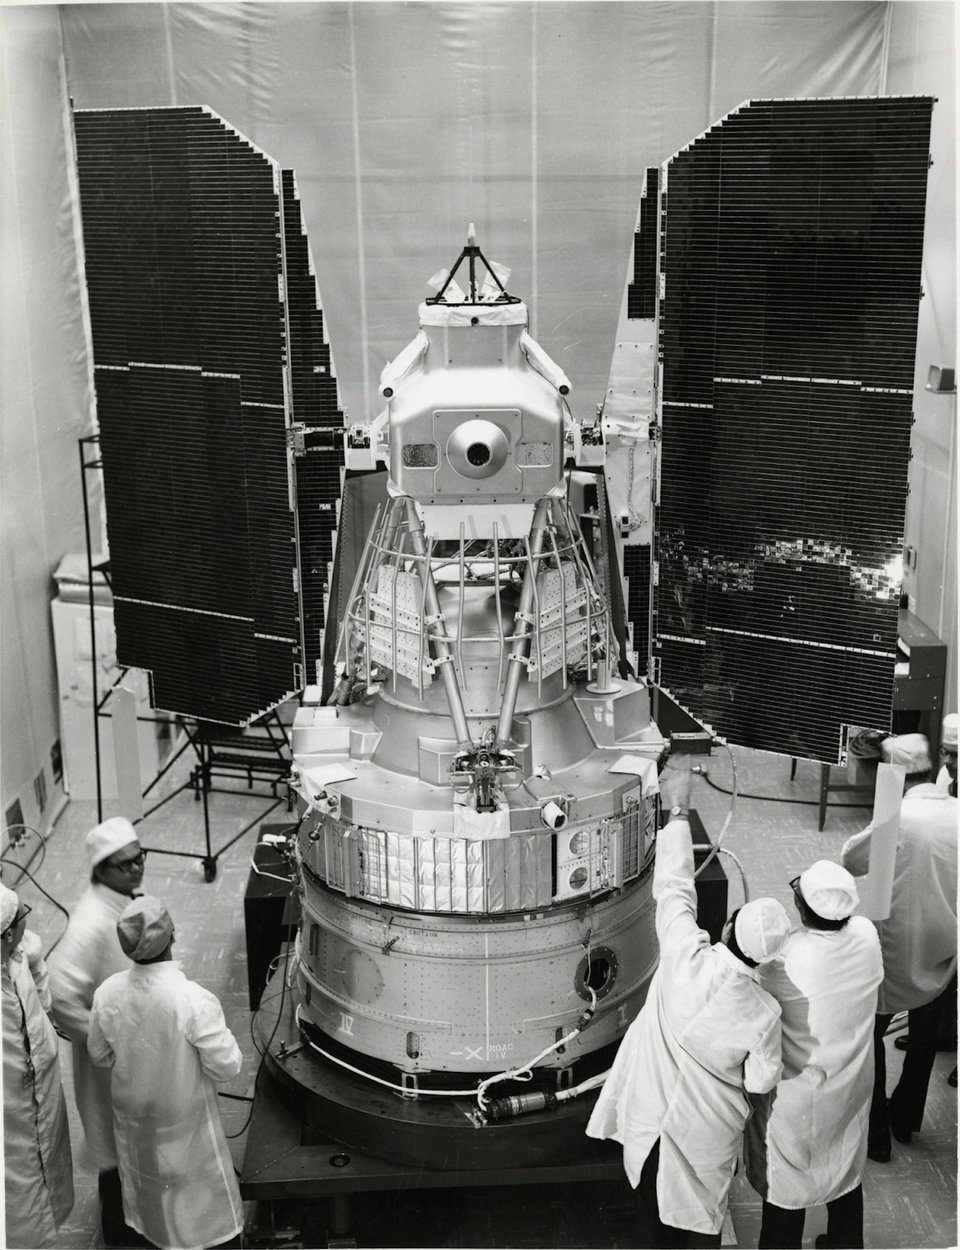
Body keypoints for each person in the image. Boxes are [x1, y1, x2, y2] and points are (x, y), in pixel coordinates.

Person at [587, 765, 791, 1248]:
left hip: (652, 1121)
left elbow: (675, 888)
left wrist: (677, 810)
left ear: (728, 930)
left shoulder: (683, 956)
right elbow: (762, 1081)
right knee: (698, 1224)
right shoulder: (764, 1014)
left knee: (649, 1217)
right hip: (706, 1138)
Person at [88, 896, 245, 1250]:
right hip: (188, 1138)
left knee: (152, 1215)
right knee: (202, 1219)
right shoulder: (192, 1000)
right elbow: (228, 1067)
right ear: (173, 934)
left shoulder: (107, 994)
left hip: (138, 1133)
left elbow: (98, 1054)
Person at [744, 860, 882, 1250]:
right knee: (844, 1165)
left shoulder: (786, 960)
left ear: (802, 909)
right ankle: (844, 1243)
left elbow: (751, 992)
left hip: (798, 1098)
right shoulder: (867, 935)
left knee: (788, 1188)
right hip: (852, 1082)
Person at [841, 731, 958, 1159]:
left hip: (893, 946)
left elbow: (851, 860)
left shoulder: (899, 815)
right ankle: (906, 1119)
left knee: (873, 1030)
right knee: (924, 1035)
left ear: (893, 775)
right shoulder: (956, 811)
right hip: (942, 946)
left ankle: (875, 1136)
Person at [48, 815, 146, 1245]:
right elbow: (56, 993)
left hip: (131, 1047)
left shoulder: (123, 898)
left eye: (139, 857)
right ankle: (119, 1236)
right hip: (109, 1060)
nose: (137, 869)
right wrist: (102, 1037)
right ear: (101, 870)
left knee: (131, 1144)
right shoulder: (90, 921)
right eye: (125, 865)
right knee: (115, 1150)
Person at [2, 881, 75, 1248]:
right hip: (10, 1115)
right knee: (17, 1195)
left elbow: (38, 978)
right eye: (18, 921)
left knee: (46, 1171)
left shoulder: (18, 952)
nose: (23, 926)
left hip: (39, 1090)